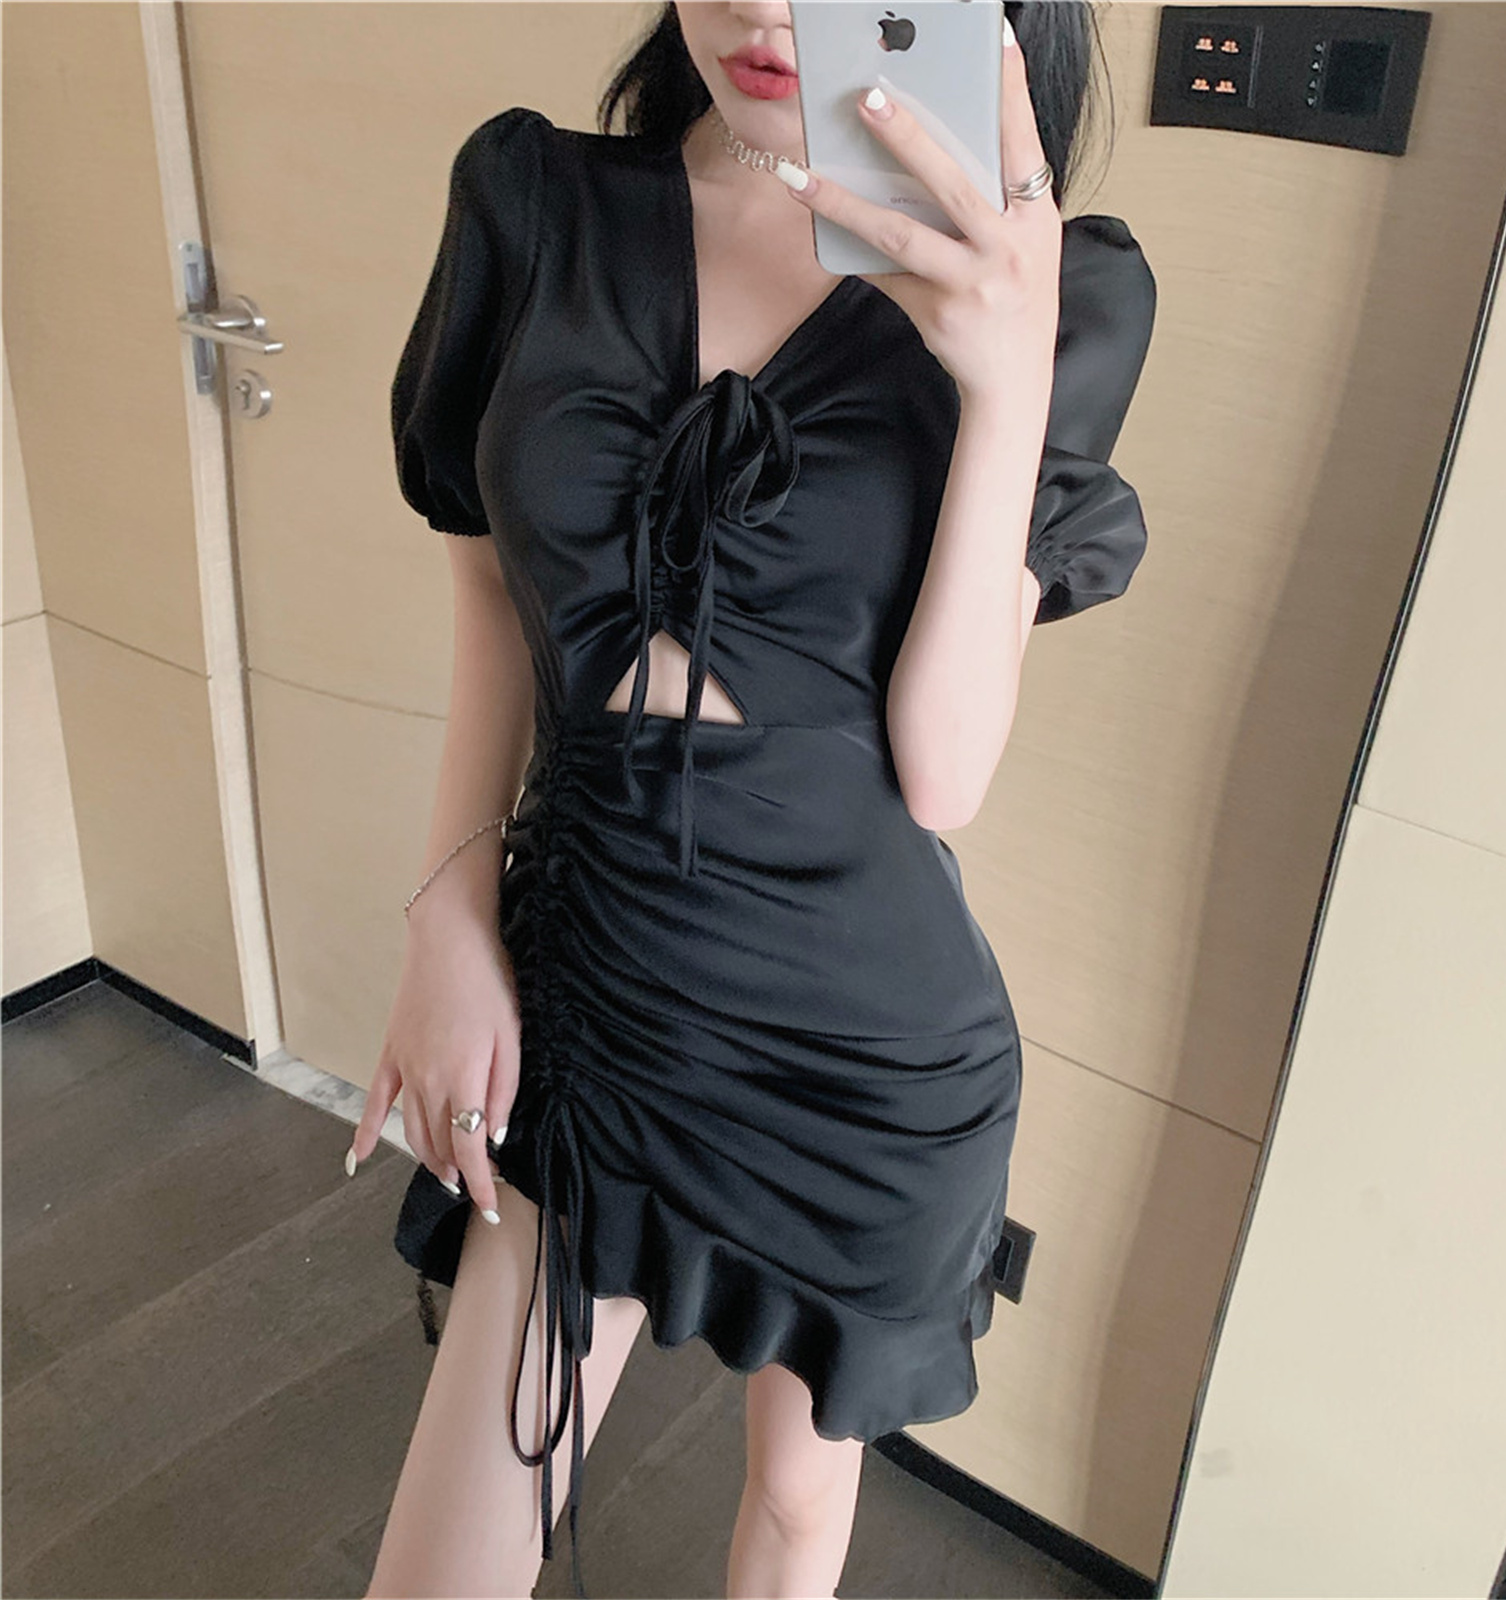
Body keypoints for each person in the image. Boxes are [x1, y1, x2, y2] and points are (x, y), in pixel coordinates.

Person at [352, 2, 1156, 1596]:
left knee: (796, 1505)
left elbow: (945, 772)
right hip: (593, 986)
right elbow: (489, 595)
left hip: (865, 1051)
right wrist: (447, 912)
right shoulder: (536, 204)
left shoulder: (1057, 289)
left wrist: (1004, 384)